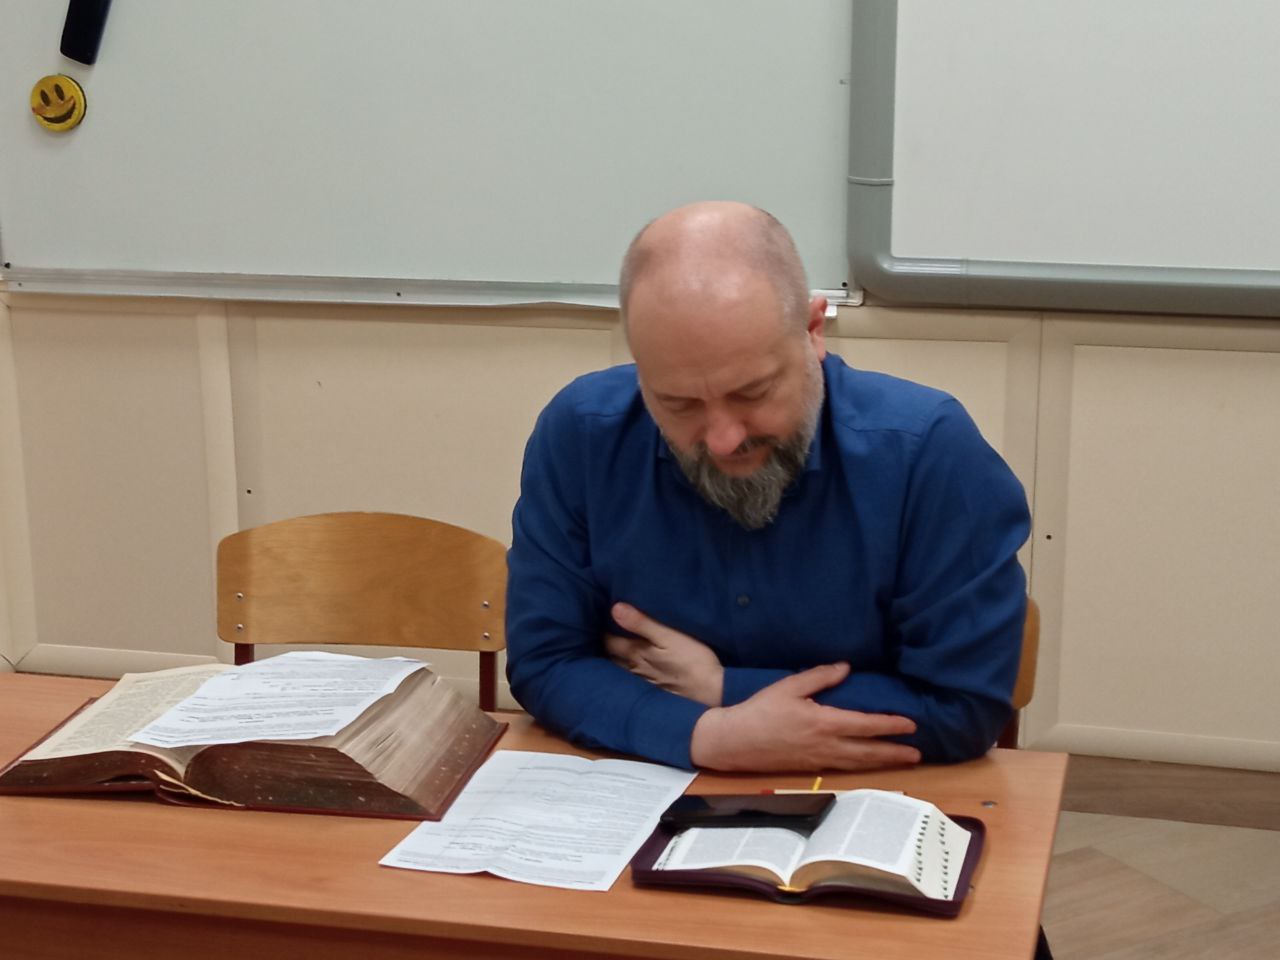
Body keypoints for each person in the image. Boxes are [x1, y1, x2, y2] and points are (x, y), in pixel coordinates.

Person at [505, 201, 1030, 772]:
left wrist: (724, 689)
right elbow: (546, 662)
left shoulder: (927, 451)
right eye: (678, 403)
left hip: (872, 794)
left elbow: (962, 706)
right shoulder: (583, 434)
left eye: (752, 393)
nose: (723, 438)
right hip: (643, 784)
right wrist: (707, 737)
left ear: (813, 331)